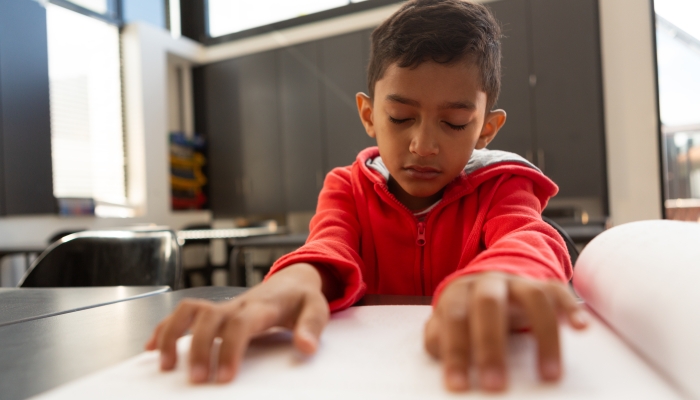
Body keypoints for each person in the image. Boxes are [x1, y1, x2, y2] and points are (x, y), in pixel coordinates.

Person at [146, 0, 588, 392]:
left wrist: (505, 275)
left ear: (485, 130)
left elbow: (530, 238)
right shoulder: (347, 187)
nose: (423, 145)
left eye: (454, 123)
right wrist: (291, 283)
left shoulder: (502, 185)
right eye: (400, 117)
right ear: (369, 115)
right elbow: (327, 247)